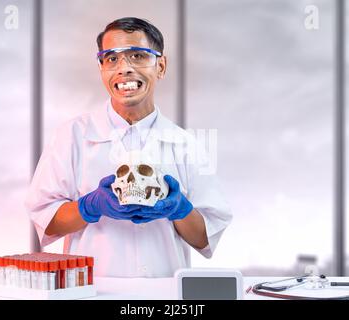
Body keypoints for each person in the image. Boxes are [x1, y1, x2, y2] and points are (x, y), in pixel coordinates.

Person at [25, 17, 232, 277]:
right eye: (112, 58)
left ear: (161, 66)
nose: (124, 69)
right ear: (101, 67)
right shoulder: (71, 136)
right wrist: (89, 207)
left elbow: (204, 238)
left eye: (137, 56)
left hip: (162, 294)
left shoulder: (185, 144)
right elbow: (48, 223)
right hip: (92, 291)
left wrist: (180, 209)